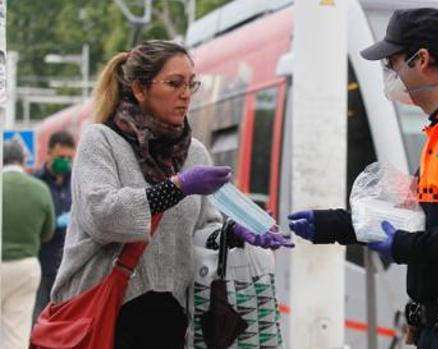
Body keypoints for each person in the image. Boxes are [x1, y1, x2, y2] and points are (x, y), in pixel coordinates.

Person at [288, 8, 438, 348]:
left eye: (393, 61)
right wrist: (331, 225)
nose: (388, 71)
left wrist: (404, 247)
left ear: (422, 59)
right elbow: (409, 217)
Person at [49, 40, 292, 349]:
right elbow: (103, 216)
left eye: (191, 83)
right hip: (103, 314)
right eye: (174, 83)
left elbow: (203, 229)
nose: (186, 94)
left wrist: (235, 235)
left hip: (170, 319)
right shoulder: (101, 141)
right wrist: (176, 188)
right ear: (139, 89)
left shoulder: (195, 153)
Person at [2, 140, 55, 349]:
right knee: (17, 333)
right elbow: (48, 232)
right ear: (24, 161)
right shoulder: (39, 189)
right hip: (25, 267)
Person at [32, 130, 75, 322]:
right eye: (61, 157)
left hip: (69, 264)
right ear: (49, 153)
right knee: (39, 319)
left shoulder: (76, 182)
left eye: (69, 157)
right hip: (43, 262)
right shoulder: (36, 183)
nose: (65, 162)